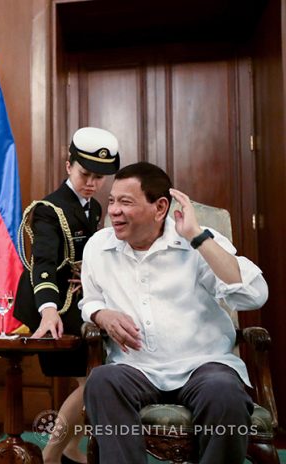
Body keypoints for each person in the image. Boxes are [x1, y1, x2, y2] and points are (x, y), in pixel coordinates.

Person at [80, 161, 268, 463]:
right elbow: (89, 300)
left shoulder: (199, 241)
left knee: (224, 391)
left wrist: (197, 236)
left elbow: (254, 295)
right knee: (102, 381)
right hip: (137, 368)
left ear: (160, 207)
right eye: (112, 200)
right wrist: (101, 314)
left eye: (125, 202)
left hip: (204, 365)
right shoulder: (97, 247)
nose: (113, 210)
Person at [14, 127, 121, 464]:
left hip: (82, 296)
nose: (92, 182)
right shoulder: (49, 208)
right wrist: (48, 310)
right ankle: (50, 455)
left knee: (91, 379)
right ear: (67, 165)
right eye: (84, 173)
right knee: (92, 381)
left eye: (99, 177)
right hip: (53, 299)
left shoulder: (93, 208)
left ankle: (68, 448)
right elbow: (42, 263)